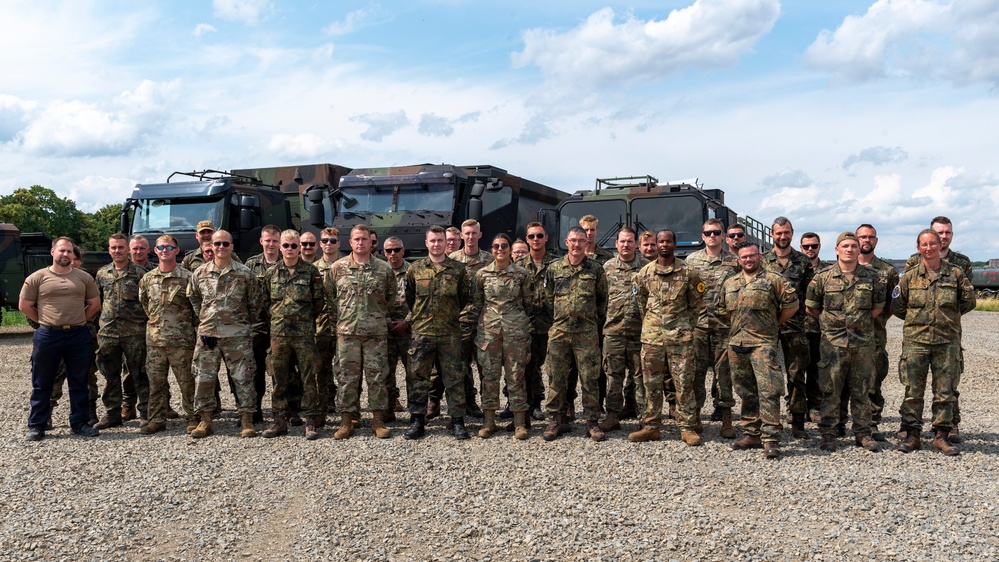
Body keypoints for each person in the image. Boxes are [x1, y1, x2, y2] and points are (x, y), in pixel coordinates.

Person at [893, 229, 975, 456]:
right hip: (916, 342)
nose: (929, 248)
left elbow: (968, 302)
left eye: (933, 244)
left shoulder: (956, 274)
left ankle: (941, 435)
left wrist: (946, 321)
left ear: (940, 245)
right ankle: (912, 435)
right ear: (918, 248)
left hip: (946, 341)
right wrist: (918, 323)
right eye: (924, 245)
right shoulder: (909, 276)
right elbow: (898, 307)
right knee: (913, 390)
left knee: (945, 391)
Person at [805, 232, 885, 452]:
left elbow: (877, 307)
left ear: (859, 250)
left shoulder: (872, 277)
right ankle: (828, 433)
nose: (850, 249)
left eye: (854, 246)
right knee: (830, 390)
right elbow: (812, 307)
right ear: (837, 250)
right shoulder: (822, 277)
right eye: (845, 246)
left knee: (862, 389)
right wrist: (832, 325)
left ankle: (863, 433)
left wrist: (860, 322)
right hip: (833, 344)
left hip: (862, 343)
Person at [720, 241, 798, 459]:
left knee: (769, 390)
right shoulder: (730, 282)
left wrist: (774, 324)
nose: (748, 260)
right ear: (739, 259)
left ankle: (771, 438)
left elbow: (792, 305)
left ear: (760, 256)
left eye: (752, 256)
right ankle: (752, 433)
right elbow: (723, 310)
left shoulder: (774, 279)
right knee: (745, 391)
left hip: (763, 344)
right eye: (744, 257)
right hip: (737, 344)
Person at [20, 236, 102, 441]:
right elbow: (25, 305)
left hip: (77, 334)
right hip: (48, 335)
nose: (65, 254)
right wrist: (44, 322)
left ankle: (80, 423)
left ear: (73, 254)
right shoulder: (37, 277)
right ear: (52, 252)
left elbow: (94, 303)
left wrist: (79, 320)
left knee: (79, 381)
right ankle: (37, 425)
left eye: (69, 251)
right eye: (61, 251)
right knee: (42, 382)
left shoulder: (84, 278)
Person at [629, 230, 705, 445]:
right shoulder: (643, 274)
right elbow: (641, 303)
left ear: (674, 244)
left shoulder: (689, 273)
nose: (663, 245)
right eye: (659, 241)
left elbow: (696, 303)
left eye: (667, 241)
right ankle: (651, 427)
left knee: (683, 384)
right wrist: (654, 325)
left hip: (680, 339)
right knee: (651, 385)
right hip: (652, 338)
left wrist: (683, 325)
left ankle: (687, 427)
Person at [187, 230, 262, 438]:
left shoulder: (244, 273)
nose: (221, 247)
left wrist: (241, 324)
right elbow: (194, 299)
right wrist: (206, 320)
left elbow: (255, 302)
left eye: (225, 244)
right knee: (204, 378)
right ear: (210, 246)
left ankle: (247, 419)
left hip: (237, 335)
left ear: (232, 246)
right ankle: (205, 420)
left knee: (243, 377)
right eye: (217, 244)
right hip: (208, 335)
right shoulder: (199, 273)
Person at [404, 225, 473, 440]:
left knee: (454, 378)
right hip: (422, 333)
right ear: (426, 243)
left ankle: (457, 420)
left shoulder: (458, 270)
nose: (436, 244)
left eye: (440, 240)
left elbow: (463, 299)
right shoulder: (414, 269)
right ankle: (417, 420)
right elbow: (410, 298)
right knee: (418, 377)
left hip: (449, 334)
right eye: (432, 241)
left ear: (446, 242)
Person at [329, 224, 397, 439]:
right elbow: (331, 300)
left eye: (364, 239)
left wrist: (376, 318)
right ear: (350, 242)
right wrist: (342, 322)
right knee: (347, 378)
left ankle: (378, 421)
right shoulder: (337, 268)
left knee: (377, 378)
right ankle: (346, 421)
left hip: (375, 334)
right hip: (347, 334)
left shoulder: (384, 269)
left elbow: (390, 298)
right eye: (356, 239)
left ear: (371, 242)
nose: (360, 242)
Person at [541, 226, 608, 442]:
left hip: (587, 332)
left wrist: (591, 321)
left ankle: (592, 421)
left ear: (586, 243)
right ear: (566, 242)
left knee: (590, 378)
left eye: (581, 240)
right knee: (556, 377)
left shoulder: (596, 269)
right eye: (573, 240)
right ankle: (555, 419)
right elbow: (548, 298)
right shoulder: (554, 268)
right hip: (560, 331)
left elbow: (602, 301)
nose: (577, 244)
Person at [260, 230, 326, 440]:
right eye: (286, 245)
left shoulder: (311, 271)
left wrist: (303, 320)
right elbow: (266, 302)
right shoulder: (271, 273)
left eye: (294, 246)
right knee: (278, 378)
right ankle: (280, 420)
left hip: (304, 334)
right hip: (279, 334)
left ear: (300, 247)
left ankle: (311, 420)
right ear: (280, 247)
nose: (290, 249)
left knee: (309, 377)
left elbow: (318, 302)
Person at [472, 233, 534, 439]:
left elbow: (529, 303)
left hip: (515, 331)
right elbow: (478, 302)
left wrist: (520, 323)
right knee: (489, 377)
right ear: (491, 249)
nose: (500, 249)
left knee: (516, 376)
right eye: (496, 246)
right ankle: (489, 422)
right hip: (489, 332)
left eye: (504, 246)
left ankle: (519, 423)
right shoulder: (482, 274)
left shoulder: (522, 274)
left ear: (509, 249)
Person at [684, 218, 740, 438]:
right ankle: (696, 416)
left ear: (723, 235)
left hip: (724, 327)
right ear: (703, 236)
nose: (712, 236)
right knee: (696, 373)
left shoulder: (734, 262)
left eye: (717, 232)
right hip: (698, 326)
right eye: (708, 233)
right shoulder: (691, 261)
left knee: (724, 374)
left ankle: (726, 419)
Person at [138, 235, 197, 434]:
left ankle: (193, 418)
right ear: (155, 251)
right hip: (155, 341)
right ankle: (156, 419)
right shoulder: (147, 279)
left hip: (181, 341)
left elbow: (196, 308)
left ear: (176, 251)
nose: (165, 251)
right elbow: (145, 304)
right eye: (161, 247)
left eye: (169, 247)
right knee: (156, 383)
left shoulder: (188, 277)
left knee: (187, 382)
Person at [761, 217, 813, 438]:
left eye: (786, 232)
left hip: (795, 327)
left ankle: (797, 420)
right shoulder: (762, 261)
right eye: (778, 233)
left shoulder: (802, 261)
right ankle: (769, 421)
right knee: (767, 377)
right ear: (772, 235)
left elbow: (811, 295)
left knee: (796, 376)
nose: (783, 236)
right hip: (767, 328)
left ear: (792, 233)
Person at [94, 233, 150, 429]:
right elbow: (97, 302)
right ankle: (112, 413)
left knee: (140, 374)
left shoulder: (141, 273)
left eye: (120, 247)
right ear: (109, 250)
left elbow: (148, 303)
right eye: (113, 247)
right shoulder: (102, 274)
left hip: (134, 332)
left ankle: (145, 412)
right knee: (110, 375)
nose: (117, 251)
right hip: (109, 332)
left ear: (127, 249)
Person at [598, 227, 649, 432]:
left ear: (636, 244)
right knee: (613, 376)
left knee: (641, 377)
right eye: (622, 241)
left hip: (640, 332)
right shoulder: (606, 268)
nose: (626, 245)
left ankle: (645, 418)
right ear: (616, 244)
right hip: (614, 332)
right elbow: (600, 299)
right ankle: (612, 416)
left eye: (630, 241)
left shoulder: (646, 268)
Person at [856, 223, 899, 441]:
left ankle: (872, 422)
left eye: (871, 237)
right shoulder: (844, 266)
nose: (866, 240)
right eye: (862, 237)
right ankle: (842, 422)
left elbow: (894, 303)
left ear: (876, 241)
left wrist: (879, 319)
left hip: (874, 334)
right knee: (841, 379)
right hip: (845, 336)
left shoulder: (887, 271)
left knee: (873, 379)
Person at [448, 219, 494, 418]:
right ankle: (469, 402)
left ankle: (488, 405)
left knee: (487, 366)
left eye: (474, 233)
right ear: (461, 236)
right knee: (462, 366)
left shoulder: (490, 259)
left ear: (480, 235)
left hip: (485, 321)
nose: (470, 237)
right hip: (462, 321)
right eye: (467, 233)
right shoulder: (452, 259)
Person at [516, 222, 556, 421]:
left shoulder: (556, 265)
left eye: (539, 236)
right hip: (527, 325)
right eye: (531, 236)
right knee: (528, 367)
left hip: (552, 325)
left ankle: (560, 409)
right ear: (527, 239)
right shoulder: (519, 267)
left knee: (555, 369)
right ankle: (531, 405)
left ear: (546, 238)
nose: (536, 240)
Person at [245, 225, 283, 423]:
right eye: (267, 240)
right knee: (255, 371)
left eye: (275, 241)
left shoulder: (287, 263)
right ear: (261, 241)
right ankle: (255, 410)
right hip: (257, 325)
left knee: (281, 370)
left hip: (280, 326)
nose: (271, 244)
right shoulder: (251, 266)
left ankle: (283, 411)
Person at [799, 232, 828, 425]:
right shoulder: (796, 267)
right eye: (806, 246)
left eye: (814, 246)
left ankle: (815, 407)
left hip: (819, 328)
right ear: (801, 248)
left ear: (819, 247)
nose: (810, 249)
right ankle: (797, 408)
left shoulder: (827, 270)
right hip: (797, 327)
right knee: (797, 370)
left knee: (817, 370)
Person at [314, 227, 342, 423]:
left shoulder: (346, 266)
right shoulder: (312, 269)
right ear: (320, 244)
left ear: (339, 244)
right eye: (325, 240)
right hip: (321, 325)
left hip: (344, 324)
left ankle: (349, 410)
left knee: (346, 369)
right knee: (321, 368)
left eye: (333, 241)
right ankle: (323, 407)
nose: (329, 244)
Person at [383, 236, 410, 420]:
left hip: (410, 329)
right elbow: (375, 301)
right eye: (389, 250)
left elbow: (420, 300)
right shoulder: (379, 271)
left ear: (403, 250)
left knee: (415, 372)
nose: (393, 253)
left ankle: (417, 411)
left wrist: (406, 321)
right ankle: (389, 407)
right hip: (387, 330)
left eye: (397, 249)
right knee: (387, 372)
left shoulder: (414, 271)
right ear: (384, 252)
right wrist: (387, 321)